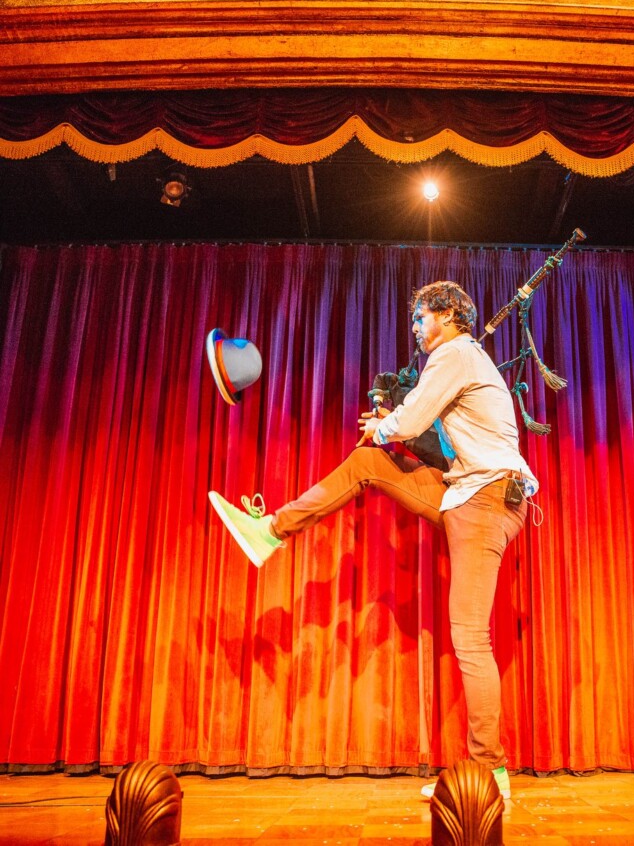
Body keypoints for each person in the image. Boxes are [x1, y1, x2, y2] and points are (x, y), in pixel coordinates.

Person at [208, 280, 538, 800]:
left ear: (450, 314)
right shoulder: (463, 360)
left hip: (487, 500)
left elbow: (412, 419)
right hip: (465, 492)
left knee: (471, 638)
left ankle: (489, 774)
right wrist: (388, 429)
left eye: (420, 318)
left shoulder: (455, 353)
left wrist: (387, 426)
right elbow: (427, 434)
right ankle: (270, 531)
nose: (415, 328)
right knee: (366, 462)